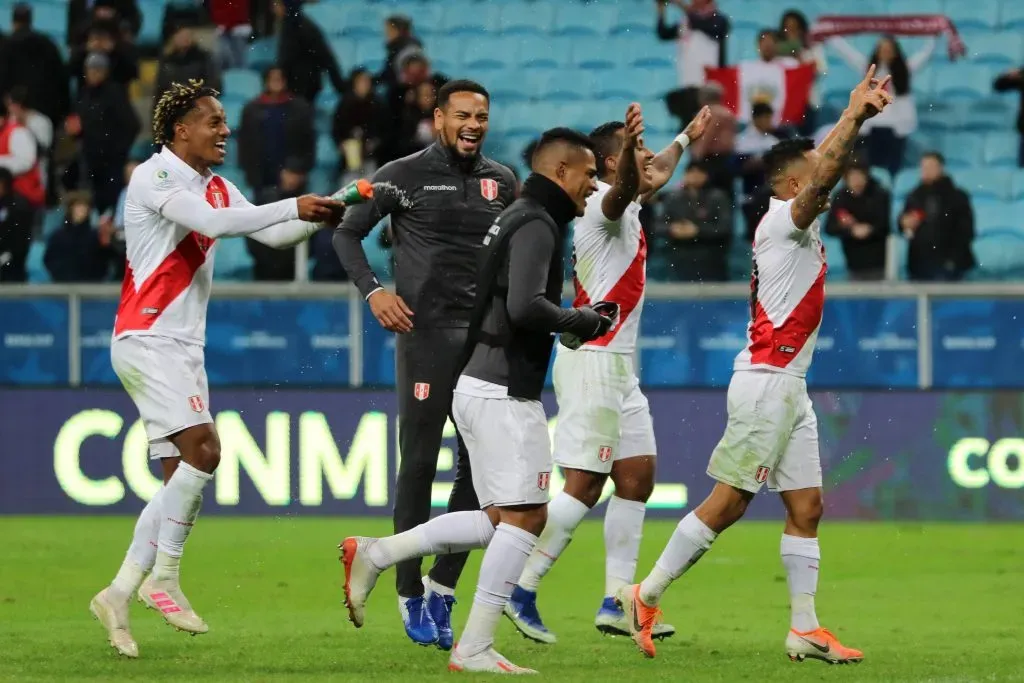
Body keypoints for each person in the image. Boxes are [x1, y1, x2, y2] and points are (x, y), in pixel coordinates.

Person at [618, 65, 894, 663]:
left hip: (789, 386)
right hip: (768, 383)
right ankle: (644, 594)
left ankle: (804, 628)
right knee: (730, 503)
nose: (827, 177)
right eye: (814, 174)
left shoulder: (794, 222)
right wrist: (854, 118)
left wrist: (851, 113)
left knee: (807, 507)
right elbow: (823, 174)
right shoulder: (782, 223)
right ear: (794, 186)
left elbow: (820, 164)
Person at [340, 127, 614, 674]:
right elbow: (524, 307)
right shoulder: (536, 222)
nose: (594, 184)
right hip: (504, 390)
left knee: (497, 518)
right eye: (589, 174)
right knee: (527, 517)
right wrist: (580, 320)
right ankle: (474, 647)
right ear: (561, 171)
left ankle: (377, 553)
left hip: (482, 382)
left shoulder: (514, 214)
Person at [89, 79, 343, 659]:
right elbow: (213, 225)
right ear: (182, 130)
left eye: (225, 121)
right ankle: (165, 578)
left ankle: (118, 592)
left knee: (178, 479)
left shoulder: (218, 187)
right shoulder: (154, 175)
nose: (226, 130)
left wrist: (336, 207)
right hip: (149, 336)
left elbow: (274, 233)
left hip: (182, 346)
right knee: (205, 451)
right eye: (214, 121)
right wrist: (295, 204)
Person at [504, 104, 712, 644]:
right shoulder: (601, 204)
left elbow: (653, 174)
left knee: (638, 478)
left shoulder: (627, 194)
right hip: (593, 360)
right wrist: (634, 160)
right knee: (584, 485)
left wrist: (685, 138)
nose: (649, 156)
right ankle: (519, 586)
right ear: (613, 162)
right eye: (637, 149)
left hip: (619, 365)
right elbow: (628, 188)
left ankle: (617, 600)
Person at [332, 79, 517, 650]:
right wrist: (373, 292)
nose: (472, 125)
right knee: (417, 464)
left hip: (486, 343)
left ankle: (443, 588)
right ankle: (408, 591)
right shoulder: (402, 175)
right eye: (462, 115)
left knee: (480, 472)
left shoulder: (504, 181)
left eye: (480, 116)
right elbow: (346, 233)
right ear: (438, 118)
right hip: (426, 338)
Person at [899, 152, 975, 282]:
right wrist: (904, 223)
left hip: (950, 265)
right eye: (923, 167)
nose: (926, 171)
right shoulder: (914, 196)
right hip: (919, 265)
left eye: (930, 167)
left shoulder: (957, 197)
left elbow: (966, 231)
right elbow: (903, 223)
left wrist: (952, 261)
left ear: (941, 168)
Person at [824, 162, 891, 281]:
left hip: (877, 261)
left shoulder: (880, 195)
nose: (856, 181)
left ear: (866, 177)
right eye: (853, 177)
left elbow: (887, 225)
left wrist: (870, 230)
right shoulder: (841, 197)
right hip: (851, 262)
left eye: (859, 176)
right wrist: (850, 230)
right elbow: (829, 228)